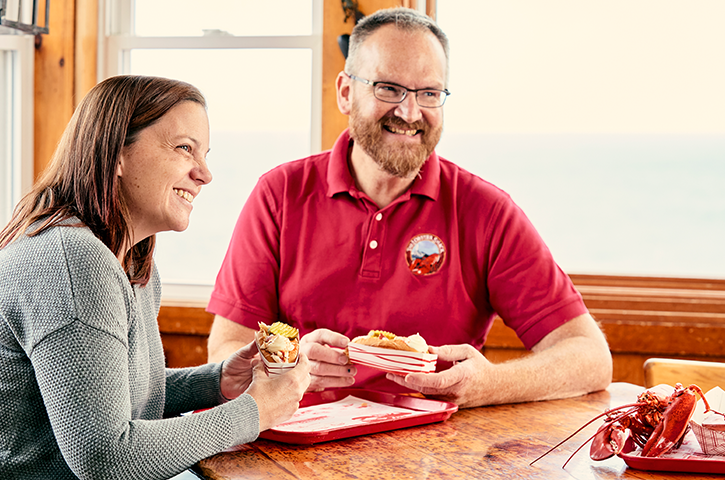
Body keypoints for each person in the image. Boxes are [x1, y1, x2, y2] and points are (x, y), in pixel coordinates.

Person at [207, 8, 612, 408]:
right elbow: (225, 348)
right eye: (389, 88)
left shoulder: (486, 211)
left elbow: (589, 357)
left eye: (429, 94)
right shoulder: (278, 194)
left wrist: (490, 384)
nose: (410, 112)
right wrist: (286, 367)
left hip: (437, 458)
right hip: (297, 455)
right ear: (346, 93)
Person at [0, 75, 310, 480]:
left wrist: (217, 381)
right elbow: (107, 457)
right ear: (116, 155)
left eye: (205, 154)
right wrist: (256, 411)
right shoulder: (73, 261)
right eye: (185, 148)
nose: (205, 174)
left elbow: (114, 393)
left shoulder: (131, 259)